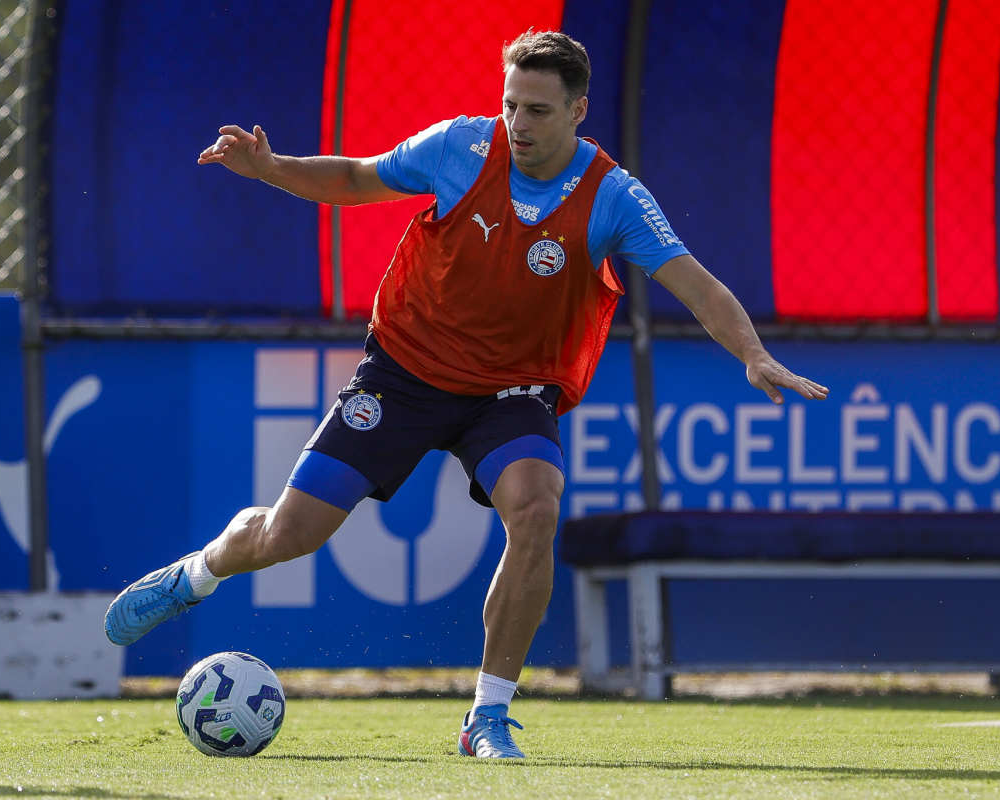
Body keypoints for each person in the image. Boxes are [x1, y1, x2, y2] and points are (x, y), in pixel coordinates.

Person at [104, 30, 828, 759]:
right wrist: (269, 167)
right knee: (288, 536)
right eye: (511, 103)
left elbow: (694, 282)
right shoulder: (459, 148)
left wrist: (753, 354)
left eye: (539, 110)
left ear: (579, 111)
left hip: (511, 391)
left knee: (537, 509)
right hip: (404, 372)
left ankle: (487, 715)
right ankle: (194, 575)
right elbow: (357, 180)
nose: (519, 122)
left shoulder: (613, 196)